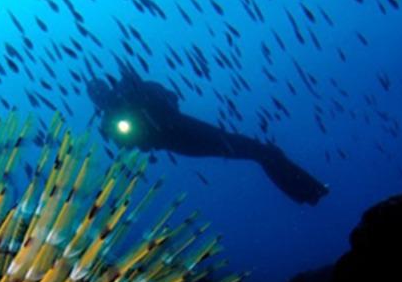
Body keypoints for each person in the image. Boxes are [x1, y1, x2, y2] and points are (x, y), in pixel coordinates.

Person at [87, 68, 329, 205]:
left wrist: (146, 102)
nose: (99, 96)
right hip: (178, 143)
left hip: (184, 128)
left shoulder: (132, 92)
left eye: (99, 90)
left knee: (253, 150)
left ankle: (306, 189)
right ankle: (305, 191)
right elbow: (129, 146)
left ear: (106, 87)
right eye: (95, 95)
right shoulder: (108, 120)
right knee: (250, 151)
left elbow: (169, 98)